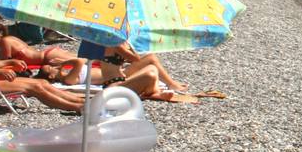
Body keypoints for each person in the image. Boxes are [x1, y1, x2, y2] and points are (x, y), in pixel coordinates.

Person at [35, 58, 213, 104]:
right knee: (151, 71)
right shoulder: (67, 79)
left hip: (121, 74)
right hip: (115, 82)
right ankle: (154, 92)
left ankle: (168, 85)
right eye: (47, 69)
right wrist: (63, 64)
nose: (49, 67)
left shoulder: (67, 73)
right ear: (50, 76)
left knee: (150, 60)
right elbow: (80, 61)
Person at [0, 18, 72, 68]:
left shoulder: (6, 41)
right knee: (84, 62)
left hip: (47, 57)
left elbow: (6, 63)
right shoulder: (10, 38)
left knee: (84, 62)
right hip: (48, 55)